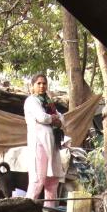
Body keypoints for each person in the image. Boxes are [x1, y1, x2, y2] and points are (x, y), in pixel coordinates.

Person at [24, 74, 65, 204]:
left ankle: (49, 211)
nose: (42, 86)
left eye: (44, 83)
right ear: (33, 86)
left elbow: (62, 118)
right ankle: (26, 211)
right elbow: (42, 117)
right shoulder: (31, 101)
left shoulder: (49, 102)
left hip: (52, 144)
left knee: (52, 180)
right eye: (39, 83)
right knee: (37, 180)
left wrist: (55, 119)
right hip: (39, 143)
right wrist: (54, 119)